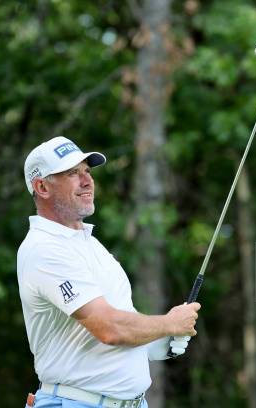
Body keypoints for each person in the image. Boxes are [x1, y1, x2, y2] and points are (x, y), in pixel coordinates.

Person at [17, 136, 200, 408]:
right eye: (72, 173)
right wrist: (169, 324)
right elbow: (109, 327)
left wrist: (155, 343)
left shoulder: (90, 243)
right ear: (42, 186)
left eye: (87, 172)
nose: (87, 181)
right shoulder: (44, 249)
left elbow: (118, 320)